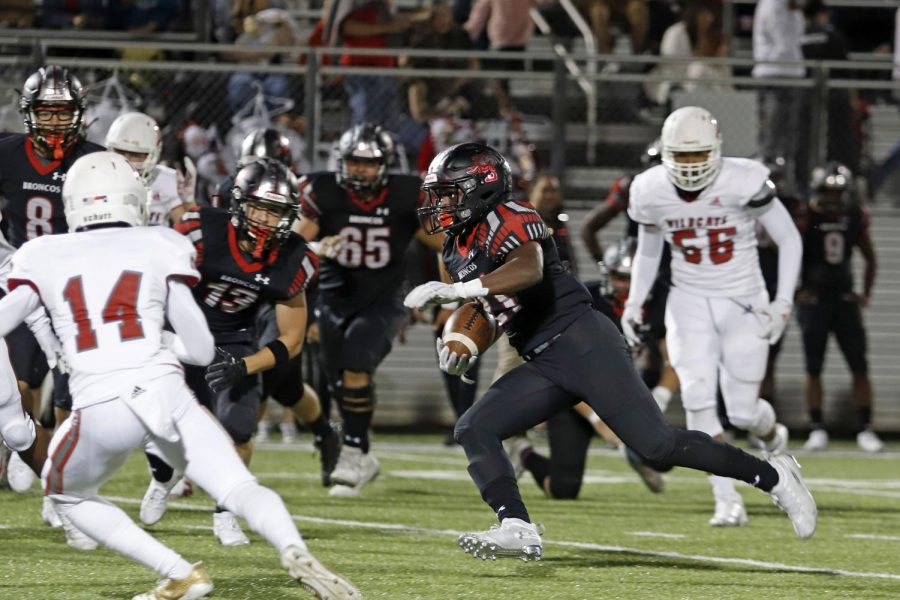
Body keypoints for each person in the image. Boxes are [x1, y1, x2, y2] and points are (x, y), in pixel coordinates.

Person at [404, 142, 816, 561]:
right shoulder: (454, 250)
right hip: (542, 360)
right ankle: (517, 525)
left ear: (482, 188)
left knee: (657, 447)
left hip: (583, 340)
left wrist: (462, 292)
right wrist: (466, 346)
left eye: (450, 193)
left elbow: (529, 270)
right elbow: (494, 312)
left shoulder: (513, 214)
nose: (441, 204)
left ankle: (773, 475)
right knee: (474, 427)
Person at [0, 151, 359, 599]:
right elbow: (202, 346)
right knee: (240, 485)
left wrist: (12, 416)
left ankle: (179, 572)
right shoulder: (160, 244)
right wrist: (165, 346)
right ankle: (293, 546)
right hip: (166, 387)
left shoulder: (42, 253)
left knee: (66, 492)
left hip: (103, 398)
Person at [623, 106, 803, 527]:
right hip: (688, 297)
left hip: (743, 299)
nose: (688, 166)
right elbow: (650, 250)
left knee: (741, 412)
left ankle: (771, 434)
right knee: (698, 396)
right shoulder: (649, 189)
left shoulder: (743, 179)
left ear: (716, 150)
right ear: (665, 153)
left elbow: (789, 238)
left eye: (697, 155)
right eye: (680, 156)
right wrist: (635, 301)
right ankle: (726, 499)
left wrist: (782, 303)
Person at [139, 158, 320, 547]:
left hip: (234, 338)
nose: (267, 221)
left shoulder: (292, 257)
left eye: (277, 212)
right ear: (238, 203)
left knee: (238, 428)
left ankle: (226, 512)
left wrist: (243, 365)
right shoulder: (199, 231)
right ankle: (161, 475)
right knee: (157, 421)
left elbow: (291, 338)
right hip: (178, 332)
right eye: (260, 208)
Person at [296, 123, 443, 497]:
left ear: (385, 164)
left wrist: (452, 293)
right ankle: (361, 451)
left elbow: (444, 243)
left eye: (369, 162)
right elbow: (293, 244)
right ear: (341, 161)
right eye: (354, 161)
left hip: (384, 298)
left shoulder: (406, 193)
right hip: (333, 299)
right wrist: (316, 249)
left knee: (357, 362)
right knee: (339, 383)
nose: (360, 169)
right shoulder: (325, 191)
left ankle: (354, 451)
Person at [0, 64, 103, 520]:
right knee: (17, 387)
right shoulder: (6, 154)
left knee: (72, 399)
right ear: (28, 114)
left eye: (63, 113)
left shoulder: (97, 162)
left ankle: (66, 488)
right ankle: (32, 462)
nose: (56, 122)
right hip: (19, 284)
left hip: (72, 292)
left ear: (79, 115)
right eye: (46, 112)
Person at [796, 162, 882, 453]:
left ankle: (865, 429)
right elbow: (789, 253)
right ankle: (816, 428)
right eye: (827, 191)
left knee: (859, 365)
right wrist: (797, 291)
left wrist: (864, 293)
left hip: (844, 299)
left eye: (837, 192)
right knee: (813, 366)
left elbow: (870, 257)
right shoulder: (805, 217)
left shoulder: (854, 217)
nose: (832, 198)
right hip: (815, 301)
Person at [106, 111, 190, 227]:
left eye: (135, 154)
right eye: (120, 152)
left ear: (153, 155)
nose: (126, 161)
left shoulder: (167, 181)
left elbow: (187, 231)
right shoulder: (97, 179)